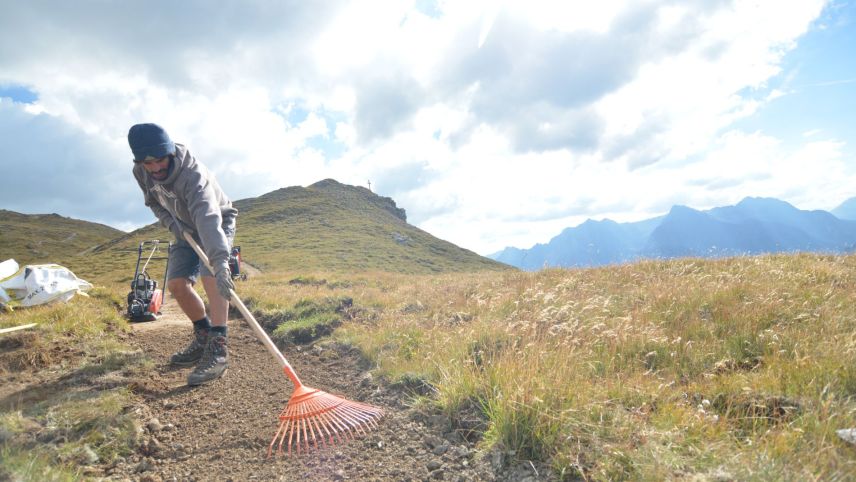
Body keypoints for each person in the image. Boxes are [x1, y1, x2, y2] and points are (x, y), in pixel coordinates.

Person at [129, 123, 238, 386]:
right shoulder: (141, 172)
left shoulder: (192, 175)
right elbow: (153, 202)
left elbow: (207, 218)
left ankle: (218, 347)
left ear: (169, 153)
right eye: (147, 163)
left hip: (215, 223)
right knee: (177, 285)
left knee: (210, 275)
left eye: (159, 160)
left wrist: (221, 262)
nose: (155, 168)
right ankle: (203, 336)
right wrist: (171, 223)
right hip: (183, 228)